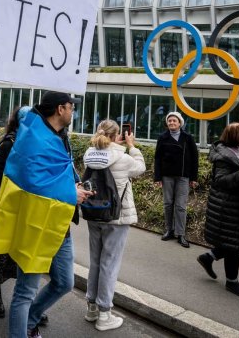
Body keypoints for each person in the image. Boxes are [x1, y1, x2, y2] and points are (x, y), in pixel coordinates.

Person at [0, 91, 93, 338]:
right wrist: (70, 193)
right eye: (71, 107)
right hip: (34, 224)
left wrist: (74, 188)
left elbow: (54, 176)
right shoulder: (31, 138)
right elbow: (30, 181)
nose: (73, 111)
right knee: (25, 292)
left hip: (59, 224)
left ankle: (30, 320)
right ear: (60, 109)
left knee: (64, 282)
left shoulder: (61, 137)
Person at [81, 120, 145, 331]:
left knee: (96, 262)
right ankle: (105, 314)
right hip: (116, 218)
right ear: (117, 135)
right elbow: (141, 168)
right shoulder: (124, 157)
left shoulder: (89, 155)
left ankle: (91, 308)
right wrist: (132, 146)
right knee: (110, 264)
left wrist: (114, 144)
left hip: (93, 215)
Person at [196, 122, 239, 298]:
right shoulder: (224, 156)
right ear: (237, 136)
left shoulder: (237, 151)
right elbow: (220, 181)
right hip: (228, 208)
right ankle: (232, 282)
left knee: (234, 242)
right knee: (234, 245)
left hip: (235, 207)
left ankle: (209, 257)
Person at [0, 106, 31, 319]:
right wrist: (13, 188)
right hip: (6, 208)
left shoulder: (34, 143)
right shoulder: (10, 142)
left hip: (27, 210)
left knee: (24, 255)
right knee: (0, 254)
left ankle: (25, 302)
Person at [153, 111, 198, 248]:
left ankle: (181, 234)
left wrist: (193, 177)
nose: (172, 122)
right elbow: (158, 158)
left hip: (183, 176)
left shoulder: (188, 138)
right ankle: (169, 230)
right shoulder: (163, 137)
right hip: (167, 176)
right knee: (167, 203)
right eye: (170, 120)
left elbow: (194, 158)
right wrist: (158, 177)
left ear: (180, 123)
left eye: (174, 121)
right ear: (167, 123)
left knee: (180, 206)